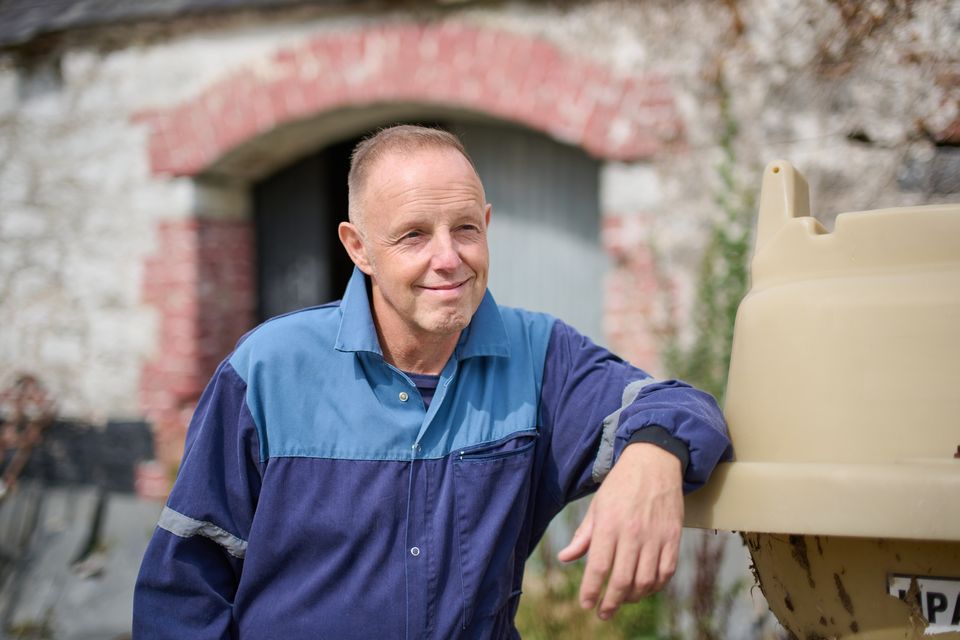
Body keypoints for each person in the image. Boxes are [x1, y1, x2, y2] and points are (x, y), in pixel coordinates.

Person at [133, 125, 732, 639]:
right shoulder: (267, 369)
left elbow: (682, 404)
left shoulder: (540, 357)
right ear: (359, 247)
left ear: (488, 224)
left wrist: (653, 455)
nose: (448, 258)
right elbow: (183, 587)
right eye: (414, 235)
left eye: (465, 229)